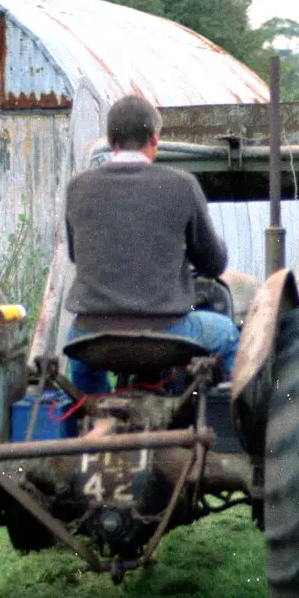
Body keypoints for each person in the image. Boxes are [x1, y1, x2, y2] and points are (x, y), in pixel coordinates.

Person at [63, 95, 239, 395]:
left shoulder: (77, 187)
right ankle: (234, 427)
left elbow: (75, 255)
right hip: (167, 333)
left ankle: (92, 418)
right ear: (154, 138)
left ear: (110, 139)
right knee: (229, 337)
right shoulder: (182, 185)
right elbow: (213, 264)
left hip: (91, 334)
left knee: (82, 369)